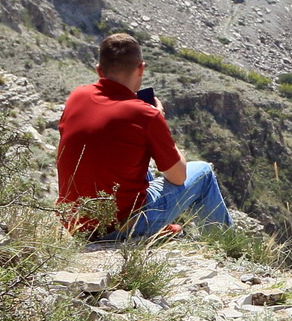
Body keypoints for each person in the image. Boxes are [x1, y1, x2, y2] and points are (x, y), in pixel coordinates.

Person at [57, 32, 232, 239]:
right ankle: (227, 244)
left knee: (136, 164)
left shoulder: (77, 96)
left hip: (78, 226)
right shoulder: (145, 114)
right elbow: (178, 177)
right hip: (118, 229)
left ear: (99, 70)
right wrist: (159, 121)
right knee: (203, 172)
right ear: (141, 68)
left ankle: (154, 230)